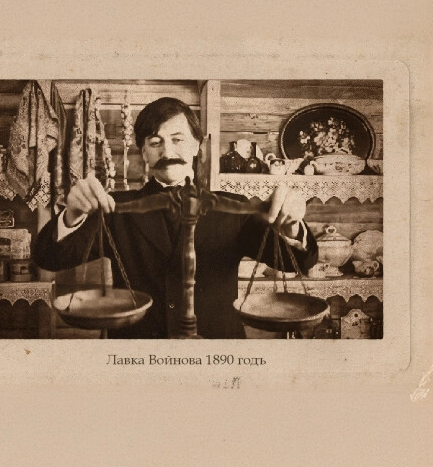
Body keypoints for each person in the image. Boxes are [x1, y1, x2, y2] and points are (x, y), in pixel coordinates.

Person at [33, 97, 318, 338]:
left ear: (196, 146)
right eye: (155, 142)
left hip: (217, 353)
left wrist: (292, 225)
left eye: (177, 140)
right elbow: (48, 257)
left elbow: (300, 262)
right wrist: (71, 214)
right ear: (144, 153)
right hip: (139, 354)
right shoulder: (116, 209)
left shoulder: (233, 208)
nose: (167, 151)